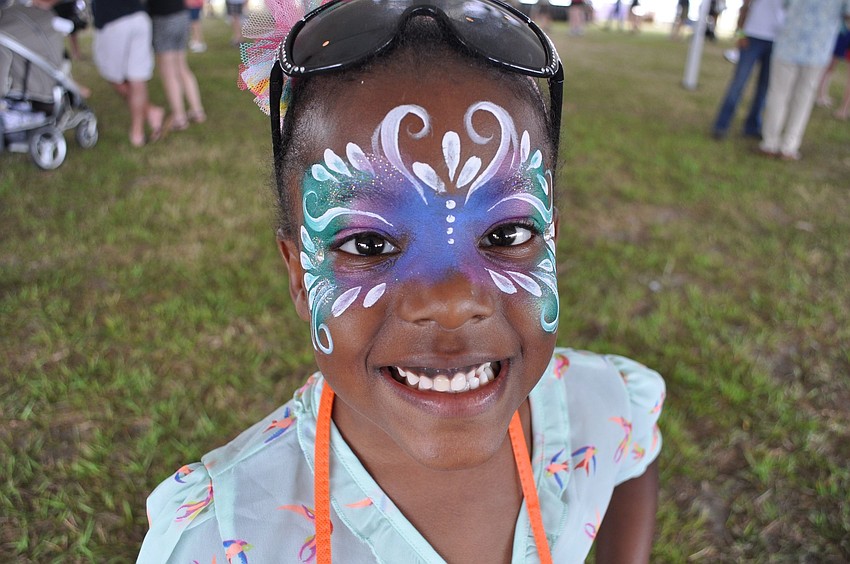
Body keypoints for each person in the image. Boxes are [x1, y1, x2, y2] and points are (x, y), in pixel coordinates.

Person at [137, 1, 666, 562]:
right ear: (298, 276)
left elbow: (632, 459)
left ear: (552, 239)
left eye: (506, 234)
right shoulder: (224, 535)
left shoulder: (598, 405)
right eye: (369, 245)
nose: (452, 301)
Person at [759, 0, 850, 160]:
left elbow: (785, 5)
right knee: (802, 98)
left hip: (790, 44)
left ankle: (770, 142)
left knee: (779, 94)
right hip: (817, 49)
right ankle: (788, 146)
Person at [90, 0, 165, 147]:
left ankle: (145, 117)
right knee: (137, 78)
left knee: (114, 76)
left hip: (113, 20)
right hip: (139, 17)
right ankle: (139, 131)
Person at [711, 0, 785, 140]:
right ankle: (721, 125)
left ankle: (752, 126)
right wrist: (740, 34)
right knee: (738, 83)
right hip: (752, 37)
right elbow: (744, 7)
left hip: (778, 40)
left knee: (764, 87)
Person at [148, 0, 205, 131]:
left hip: (163, 17)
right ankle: (197, 111)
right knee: (182, 67)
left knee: (168, 72)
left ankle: (179, 118)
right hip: (182, 15)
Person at [815, 26, 850, 111]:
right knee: (829, 66)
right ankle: (820, 95)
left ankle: (822, 95)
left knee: (830, 67)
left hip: (844, 34)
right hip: (842, 33)